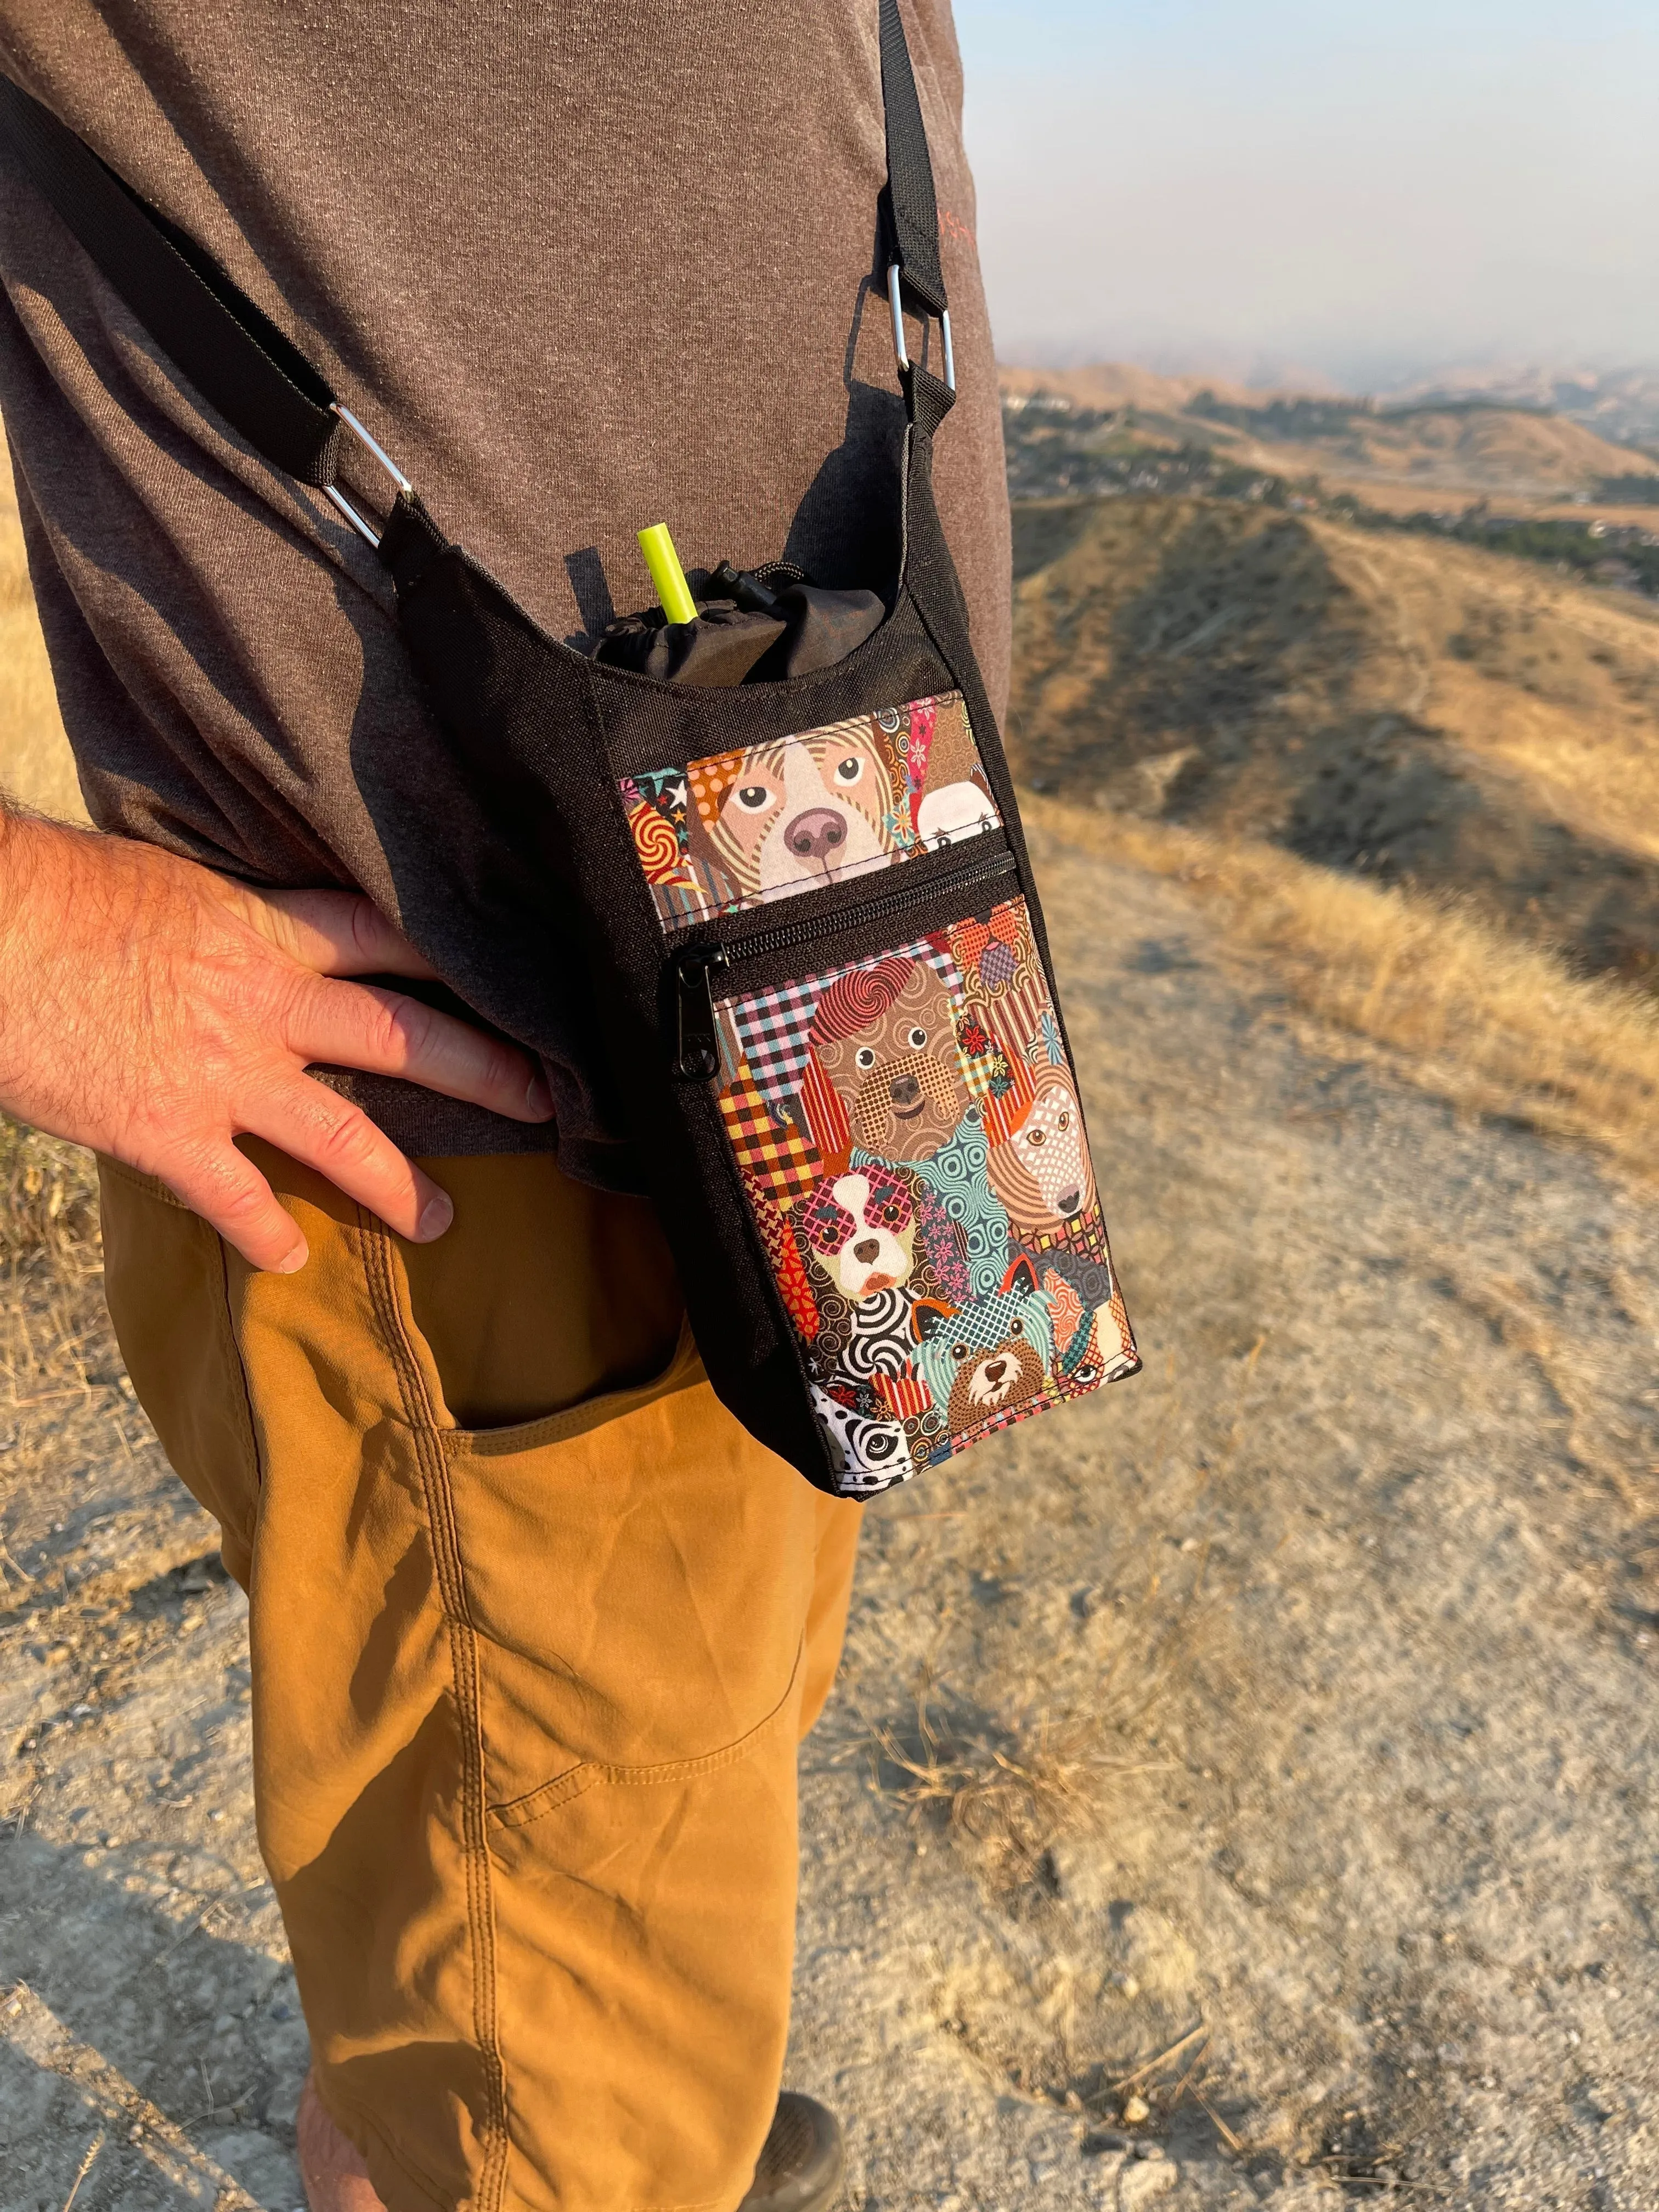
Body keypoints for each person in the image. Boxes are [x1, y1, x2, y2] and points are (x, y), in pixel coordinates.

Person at [0, 6, 1011, 2207]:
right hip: (464, 1123)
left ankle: (491, 2127)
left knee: (633, 1833)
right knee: (566, 2065)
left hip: (846, 996)